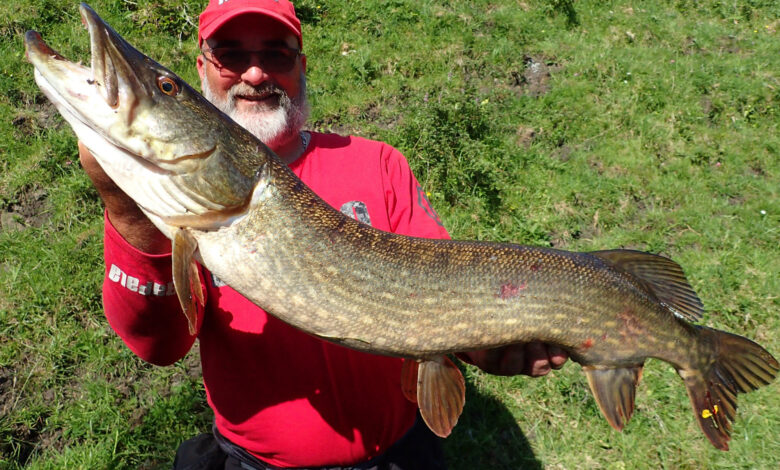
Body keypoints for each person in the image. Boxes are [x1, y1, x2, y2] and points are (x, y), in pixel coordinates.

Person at [78, 1, 568, 468]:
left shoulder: (378, 162)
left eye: (275, 53)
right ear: (203, 67)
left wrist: (478, 345)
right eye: (231, 56)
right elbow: (158, 347)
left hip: (397, 456)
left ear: (301, 65)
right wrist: (124, 207)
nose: (255, 73)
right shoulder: (179, 204)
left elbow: (443, 295)